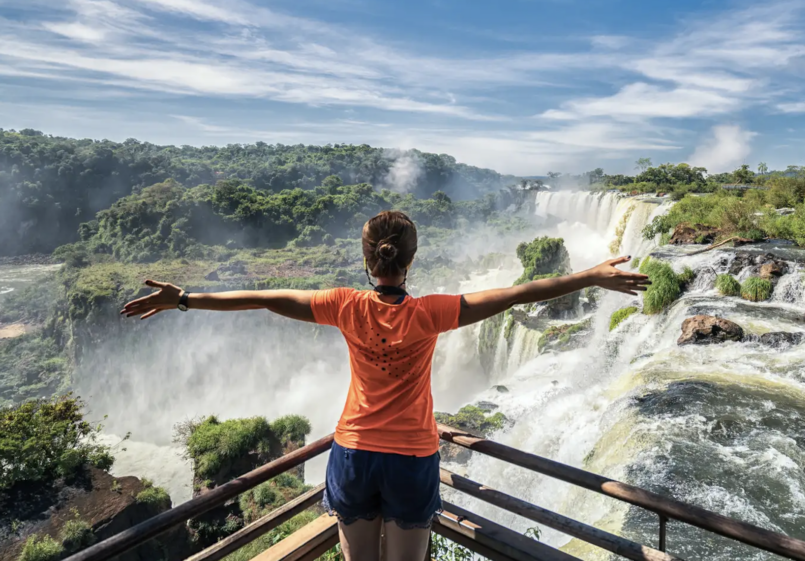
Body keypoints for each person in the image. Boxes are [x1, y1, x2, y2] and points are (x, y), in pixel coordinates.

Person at [121, 210, 649, 561]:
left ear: (368, 260)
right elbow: (517, 294)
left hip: (351, 452)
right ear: (410, 261)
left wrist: (184, 299)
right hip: (412, 457)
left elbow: (264, 297)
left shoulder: (343, 306)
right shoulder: (433, 313)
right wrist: (588, 276)